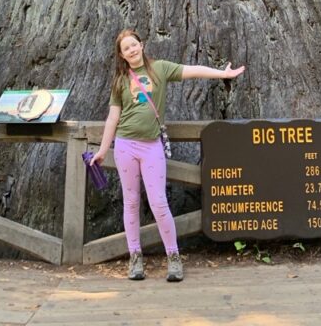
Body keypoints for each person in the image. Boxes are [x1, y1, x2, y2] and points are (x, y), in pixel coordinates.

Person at [93, 28, 245, 282]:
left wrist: (222, 74)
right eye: (125, 48)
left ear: (141, 45)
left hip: (151, 146)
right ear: (121, 55)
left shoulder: (159, 69)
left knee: (158, 202)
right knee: (130, 203)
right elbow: (113, 118)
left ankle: (173, 257)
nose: (131, 50)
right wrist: (101, 149)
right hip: (125, 145)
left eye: (134, 44)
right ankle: (135, 257)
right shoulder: (120, 81)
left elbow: (191, 70)